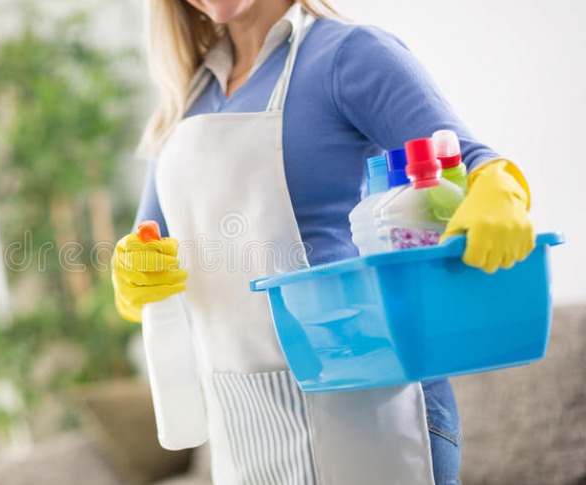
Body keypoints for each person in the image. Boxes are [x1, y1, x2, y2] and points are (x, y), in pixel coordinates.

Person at [111, 1, 534, 484]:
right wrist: (135, 276)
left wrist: (498, 187)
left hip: (369, 404)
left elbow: (471, 159)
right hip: (244, 420)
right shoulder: (184, 100)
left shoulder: (349, 54)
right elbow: (150, 242)